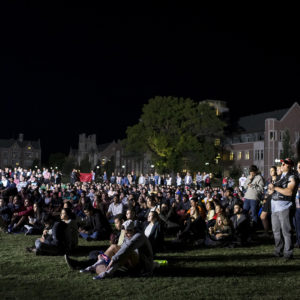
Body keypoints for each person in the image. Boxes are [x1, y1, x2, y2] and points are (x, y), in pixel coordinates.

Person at [268, 158, 299, 260]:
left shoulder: (292, 177)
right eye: (281, 163)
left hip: (285, 206)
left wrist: (275, 188)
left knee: (286, 231)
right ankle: (278, 251)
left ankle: (288, 253)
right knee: (276, 231)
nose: (281, 165)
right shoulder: (280, 177)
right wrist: (270, 190)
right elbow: (271, 191)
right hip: (275, 207)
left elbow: (289, 192)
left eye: (284, 164)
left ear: (289, 166)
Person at [243, 165, 264, 230]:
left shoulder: (259, 177)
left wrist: (253, 186)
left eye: (253, 172)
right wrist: (249, 179)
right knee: (244, 212)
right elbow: (244, 186)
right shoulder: (248, 177)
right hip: (247, 197)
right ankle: (244, 226)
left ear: (255, 171)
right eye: (250, 172)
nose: (251, 173)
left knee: (254, 213)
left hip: (254, 198)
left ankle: (255, 228)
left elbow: (261, 189)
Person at [260, 166, 277, 237]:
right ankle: (266, 232)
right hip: (267, 199)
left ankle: (274, 233)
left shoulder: (278, 179)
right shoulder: (268, 181)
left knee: (275, 217)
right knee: (262, 216)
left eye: (272, 170)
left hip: (274, 199)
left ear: (275, 171)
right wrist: (264, 197)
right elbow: (266, 190)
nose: (271, 172)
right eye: (270, 171)